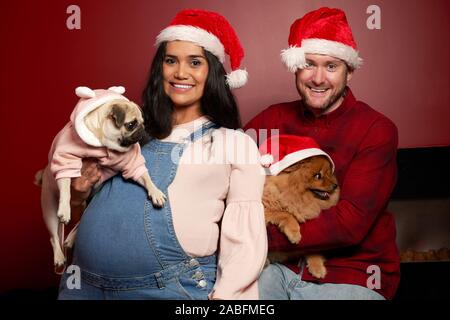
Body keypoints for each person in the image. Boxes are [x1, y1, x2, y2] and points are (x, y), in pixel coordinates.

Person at [58, 9, 267, 300]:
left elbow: (245, 239)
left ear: (214, 73)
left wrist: (228, 298)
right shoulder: (128, 133)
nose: (180, 72)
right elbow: (83, 203)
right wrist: (78, 192)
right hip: (82, 285)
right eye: (171, 61)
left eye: (195, 62)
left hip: (167, 290)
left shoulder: (232, 143)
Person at [244, 7, 400, 300]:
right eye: (308, 64)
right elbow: (226, 170)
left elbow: (348, 224)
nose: (318, 78)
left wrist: (251, 235)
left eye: (331, 66)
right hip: (278, 268)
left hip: (351, 273)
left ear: (349, 71)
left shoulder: (377, 129)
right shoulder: (271, 120)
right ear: (295, 67)